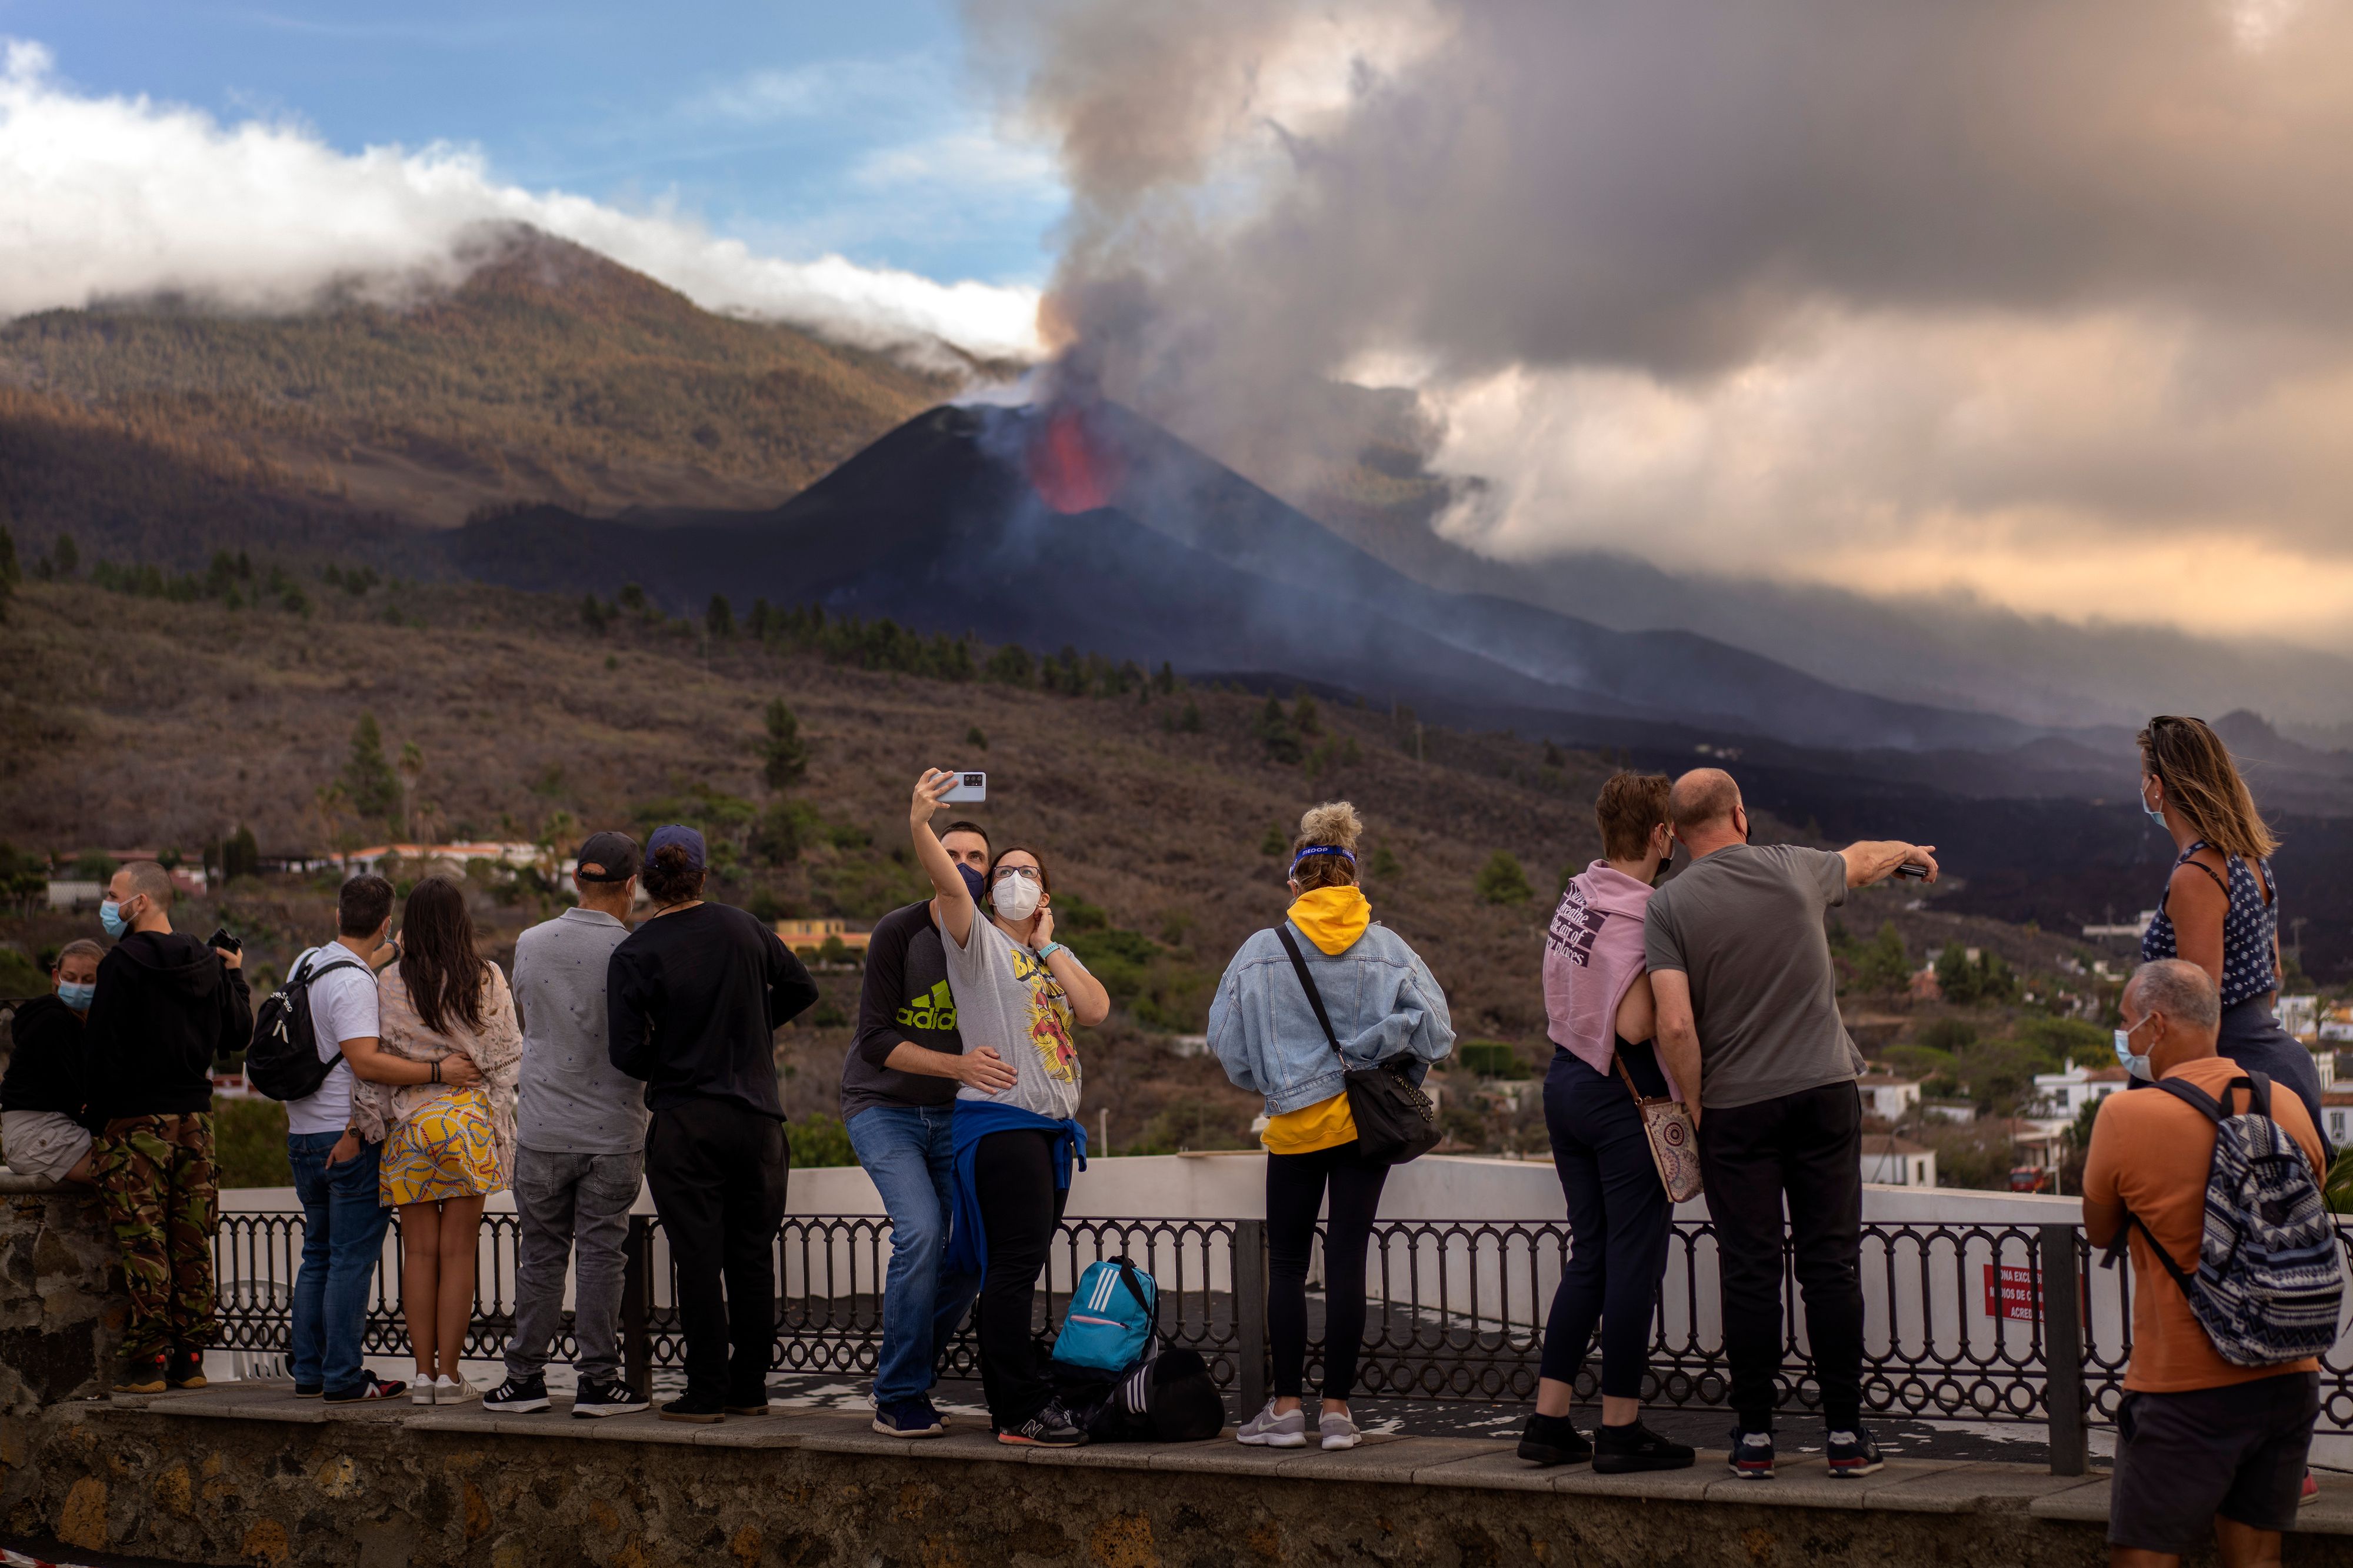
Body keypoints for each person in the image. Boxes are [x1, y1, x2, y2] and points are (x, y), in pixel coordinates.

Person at [1644, 769, 1937, 1480]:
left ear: (1678, 836)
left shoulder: (1667, 907)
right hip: (1822, 1092)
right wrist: (1910, 851)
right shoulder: (1794, 867)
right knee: (1829, 1264)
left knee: (1749, 1271)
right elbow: (1862, 856)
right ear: (1741, 816)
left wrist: (1697, 1104)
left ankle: (1752, 1438)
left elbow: (1676, 1023)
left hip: (1736, 1109)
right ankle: (1844, 1433)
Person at [1209, 801, 1455, 1453]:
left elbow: (1228, 1047)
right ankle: (1339, 1412)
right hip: (1366, 1129)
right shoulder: (1389, 946)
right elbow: (1438, 1028)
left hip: (1294, 1124)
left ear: (1296, 882)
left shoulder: (1262, 950)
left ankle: (1286, 1408)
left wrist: (1275, 1078)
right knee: (1347, 1262)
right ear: (1354, 880)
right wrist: (1394, 1061)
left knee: (1288, 1264)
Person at [2084, 959, 2326, 1568]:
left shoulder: (2124, 1116)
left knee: (2142, 1558)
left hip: (2185, 1386)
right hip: (2288, 1373)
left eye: (2124, 1022)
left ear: (2155, 1024)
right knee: (2256, 1559)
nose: (2123, 1037)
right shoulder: (2289, 1105)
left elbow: (2099, 1228)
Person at [908, 769, 1111, 1447]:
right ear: (988, 888)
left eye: (1027, 872)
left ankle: (1022, 1399)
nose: (1014, 878)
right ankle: (1016, 1408)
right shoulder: (977, 944)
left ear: (1044, 892)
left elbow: (1095, 1008)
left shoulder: (1048, 955)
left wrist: (1050, 943)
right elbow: (944, 881)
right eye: (1004, 871)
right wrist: (920, 823)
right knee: (1013, 1269)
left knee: (1018, 1265)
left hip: (1048, 1131)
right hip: (1003, 1125)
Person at [608, 825, 818, 1423]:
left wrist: (674, 1058)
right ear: (703, 874)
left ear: (646, 882)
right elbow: (803, 987)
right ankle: (749, 1385)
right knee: (751, 1256)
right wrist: (750, 1032)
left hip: (684, 1122)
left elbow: (625, 1053)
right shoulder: (744, 926)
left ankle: (705, 1390)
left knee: (697, 1257)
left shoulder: (635, 952)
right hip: (757, 1121)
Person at [1522, 773, 1695, 1473]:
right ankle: (1620, 1427)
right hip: (1622, 1094)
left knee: (1589, 1256)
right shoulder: (1642, 915)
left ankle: (1548, 1420)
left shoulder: (1580, 895)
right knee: (1633, 1263)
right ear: (1660, 835)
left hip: (1564, 1080)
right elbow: (1636, 1022)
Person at [285, 874, 484, 1405]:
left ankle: (318, 1371)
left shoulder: (310, 963)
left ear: (336, 915)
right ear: (384, 922)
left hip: (309, 1133)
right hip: (356, 1133)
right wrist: (443, 1073)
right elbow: (367, 1065)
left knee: (322, 1253)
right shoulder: (365, 983)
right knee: (359, 1258)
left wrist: (389, 952)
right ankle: (353, 1375)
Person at [486, 832, 653, 1419]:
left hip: (541, 1126)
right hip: (612, 1128)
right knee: (603, 1254)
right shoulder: (637, 949)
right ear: (631, 885)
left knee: (541, 1254)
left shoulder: (530, 942)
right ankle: (598, 1383)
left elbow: (532, 1018)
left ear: (576, 880)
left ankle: (523, 1378)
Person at [843, 818, 997, 1439]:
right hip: (884, 1106)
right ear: (929, 857)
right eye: (950, 850)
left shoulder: (991, 942)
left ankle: (905, 1374)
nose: (961, 863)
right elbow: (876, 1039)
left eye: (975, 855)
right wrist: (958, 1065)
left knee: (967, 1254)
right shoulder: (897, 931)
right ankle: (899, 1394)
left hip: (957, 1115)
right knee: (923, 1231)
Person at [352, 876, 522, 1406]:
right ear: (462, 922)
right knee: (459, 1252)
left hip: (410, 1128)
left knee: (419, 1254)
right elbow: (507, 1057)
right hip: (466, 1126)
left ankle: (422, 1377)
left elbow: (375, 1062)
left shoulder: (388, 982)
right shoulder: (485, 976)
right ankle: (451, 1377)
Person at [84, 860, 252, 1393]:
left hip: (136, 1120)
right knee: (190, 1239)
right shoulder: (205, 961)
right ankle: (193, 1360)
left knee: (144, 1241)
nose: (108, 904)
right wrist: (235, 974)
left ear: (142, 901)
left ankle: (151, 1363)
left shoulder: (120, 964)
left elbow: (103, 1050)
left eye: (114, 895)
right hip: (197, 1120)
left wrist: (96, 1119)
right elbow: (238, 1033)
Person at [2136, 715, 2326, 1145]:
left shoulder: (2197, 875)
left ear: (2158, 787)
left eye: (2144, 778)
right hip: (2283, 1067)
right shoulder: (2251, 862)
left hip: (2237, 1086)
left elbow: (2198, 1014)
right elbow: (2272, 976)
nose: (2143, 789)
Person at [1, 940, 105, 1185]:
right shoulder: (52, 1019)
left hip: (55, 1129)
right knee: (127, 1175)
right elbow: (73, 1093)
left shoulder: (81, 1024)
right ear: (57, 977)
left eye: (88, 980)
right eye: (71, 977)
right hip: (38, 1132)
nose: (78, 986)